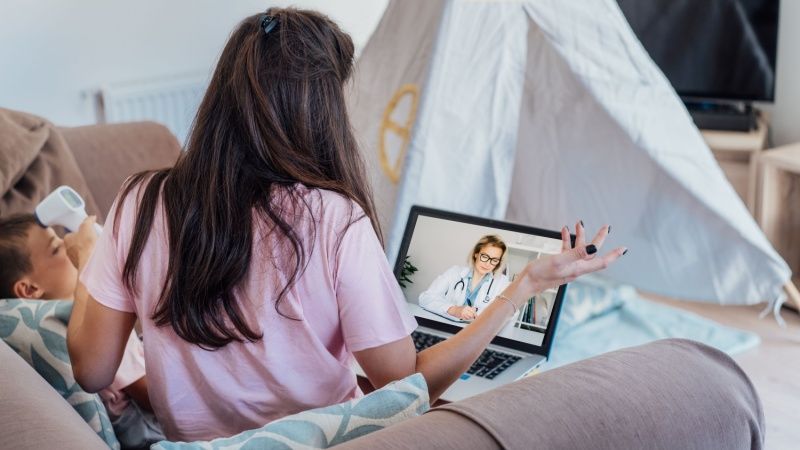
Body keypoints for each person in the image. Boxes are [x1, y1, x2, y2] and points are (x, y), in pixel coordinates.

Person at [65, 7, 627, 443]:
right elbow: (406, 387)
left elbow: (91, 370)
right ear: (320, 110)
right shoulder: (334, 220)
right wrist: (523, 287)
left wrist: (98, 259)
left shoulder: (140, 201)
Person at [0, 213, 164, 448]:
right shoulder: (97, 325)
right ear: (30, 289)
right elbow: (153, 398)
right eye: (57, 248)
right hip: (154, 430)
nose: (69, 245)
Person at [419, 235, 511, 320]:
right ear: (476, 254)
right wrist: (453, 310)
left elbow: (510, 313)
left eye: (494, 260)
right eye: (485, 256)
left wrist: (480, 313)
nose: (487, 263)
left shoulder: (502, 282)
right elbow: (425, 298)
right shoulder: (454, 272)